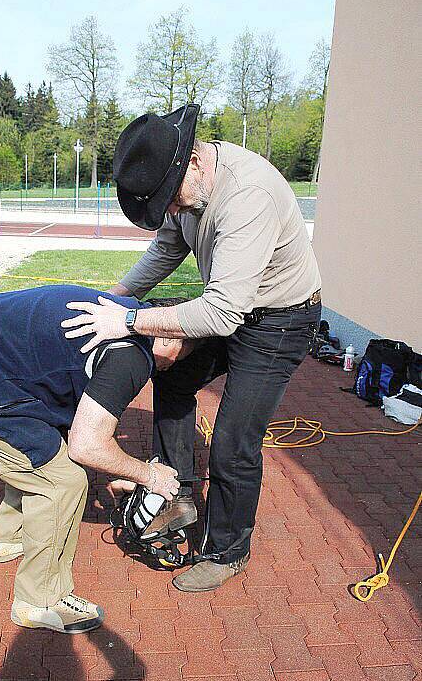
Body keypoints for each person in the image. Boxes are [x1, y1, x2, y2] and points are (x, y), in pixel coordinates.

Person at [60, 103, 322, 593]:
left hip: (280, 322)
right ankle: (172, 489)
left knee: (231, 442)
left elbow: (222, 313)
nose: (173, 212)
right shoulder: (184, 189)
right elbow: (165, 251)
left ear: (195, 163)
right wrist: (114, 298)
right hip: (234, 305)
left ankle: (227, 551)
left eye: (171, 201)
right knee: (174, 378)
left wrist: (131, 320)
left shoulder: (249, 197)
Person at [0, 284, 180, 633]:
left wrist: (120, 468)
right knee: (62, 480)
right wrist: (148, 475)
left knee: (40, 451)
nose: (176, 365)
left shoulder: (119, 311)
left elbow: (85, 422)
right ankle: (39, 601)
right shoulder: (133, 355)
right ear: (173, 337)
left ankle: (9, 540)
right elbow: (85, 446)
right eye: (185, 353)